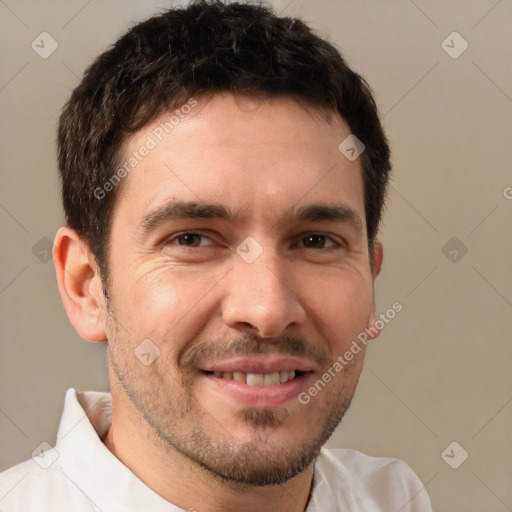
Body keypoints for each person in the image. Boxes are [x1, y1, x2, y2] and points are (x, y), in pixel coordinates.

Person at [0, 1, 433, 510]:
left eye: (316, 241)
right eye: (191, 239)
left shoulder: (394, 500)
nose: (267, 309)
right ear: (86, 285)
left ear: (371, 281)